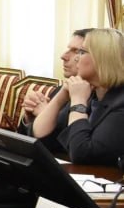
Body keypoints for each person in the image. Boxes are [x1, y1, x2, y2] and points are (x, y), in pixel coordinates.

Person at [30, 28, 124, 165]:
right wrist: (61, 96)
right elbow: (41, 137)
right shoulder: (88, 91)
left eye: (82, 52)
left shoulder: (120, 102)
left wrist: (78, 102)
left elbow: (82, 153)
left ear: (102, 59)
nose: (76, 58)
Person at [19, 28, 92, 134]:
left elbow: (74, 141)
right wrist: (29, 120)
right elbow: (25, 138)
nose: (63, 56)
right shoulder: (60, 89)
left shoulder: (99, 99)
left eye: (77, 51)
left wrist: (45, 116)